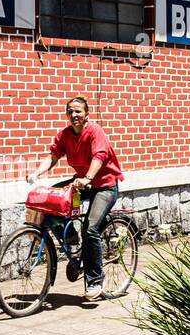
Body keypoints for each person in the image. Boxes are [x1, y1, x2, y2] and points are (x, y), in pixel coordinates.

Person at [27, 96, 124, 301]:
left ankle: (95, 280)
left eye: (78, 111)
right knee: (49, 202)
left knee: (91, 228)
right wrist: (37, 173)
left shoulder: (95, 131)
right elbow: (53, 156)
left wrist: (88, 177)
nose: (74, 115)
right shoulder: (65, 134)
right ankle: (71, 239)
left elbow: (99, 156)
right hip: (81, 183)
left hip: (104, 185)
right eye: (70, 111)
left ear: (87, 114)